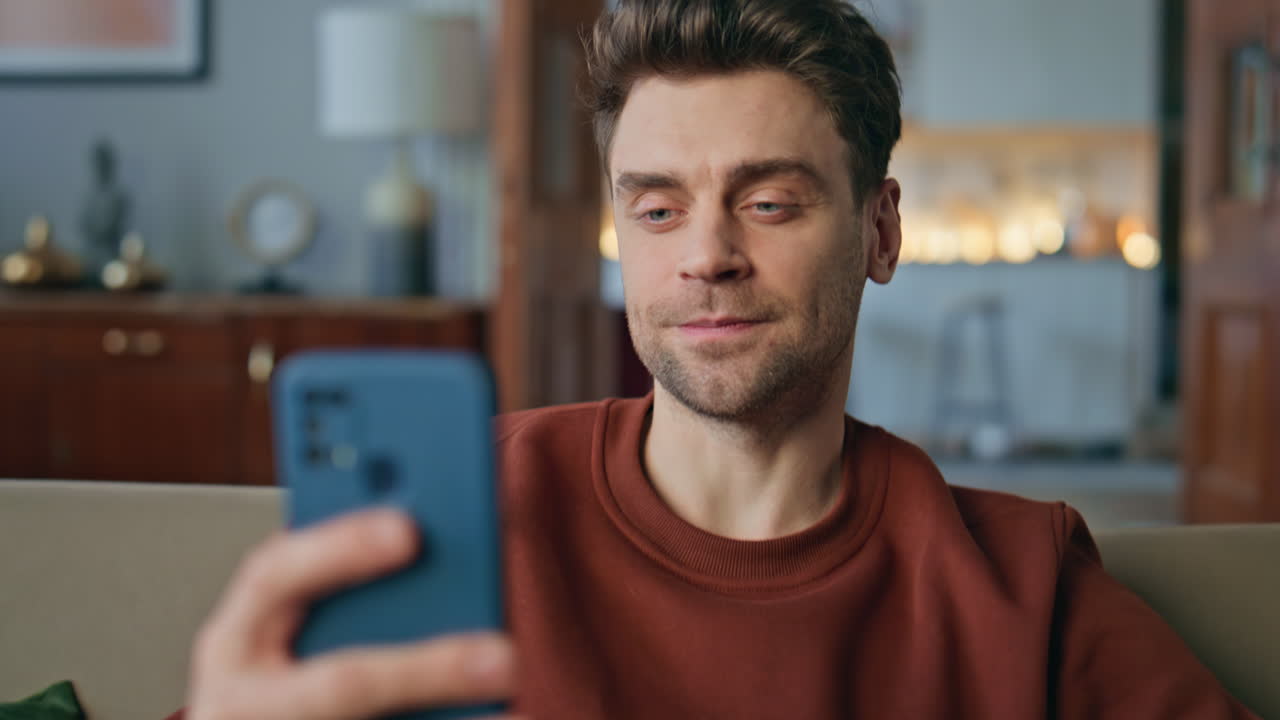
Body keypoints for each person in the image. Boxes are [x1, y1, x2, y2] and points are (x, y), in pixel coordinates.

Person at [185, 1, 1259, 718]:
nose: (705, 256)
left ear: (879, 232)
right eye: (656, 208)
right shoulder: (461, 508)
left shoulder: (1019, 580)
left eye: (768, 202)